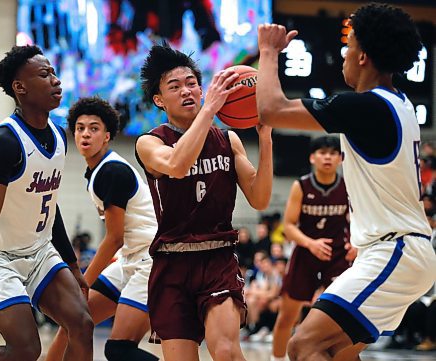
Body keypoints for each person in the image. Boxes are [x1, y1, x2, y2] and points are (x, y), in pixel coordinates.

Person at [257, 3, 436, 360]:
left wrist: (267, 52)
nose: (345, 53)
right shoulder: (398, 104)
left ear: (364, 56)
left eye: (349, 45)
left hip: (395, 250)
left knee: (303, 345)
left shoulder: (366, 107)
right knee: (337, 352)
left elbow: (271, 109)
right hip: (397, 251)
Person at [135, 42, 273, 361]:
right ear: (159, 100)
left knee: (224, 350)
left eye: (192, 83)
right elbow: (178, 166)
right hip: (172, 262)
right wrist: (209, 110)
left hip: (218, 259)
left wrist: (265, 140)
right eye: (175, 86)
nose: (187, 91)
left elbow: (261, 198)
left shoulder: (228, 140)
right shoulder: (150, 143)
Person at [0, 45, 93, 361]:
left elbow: (51, 205)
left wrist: (73, 267)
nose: (56, 81)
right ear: (20, 87)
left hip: (39, 251)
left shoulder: (59, 136)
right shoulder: (3, 142)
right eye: (45, 74)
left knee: (82, 324)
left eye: (54, 73)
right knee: (26, 349)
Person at [45, 96, 159, 361]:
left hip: (151, 260)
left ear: (107, 136)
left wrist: (82, 281)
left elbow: (114, 238)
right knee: (75, 322)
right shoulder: (96, 171)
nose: (86, 134)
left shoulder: (112, 172)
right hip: (131, 257)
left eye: (94, 128)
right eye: (80, 128)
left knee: (119, 350)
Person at [271, 136, 355, 361]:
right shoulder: (301, 185)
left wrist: (356, 243)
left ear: (341, 158)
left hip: (338, 256)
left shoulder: (349, 187)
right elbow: (288, 226)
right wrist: (310, 243)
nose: (327, 157)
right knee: (287, 316)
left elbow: (361, 220)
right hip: (306, 253)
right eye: (322, 152)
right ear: (312, 157)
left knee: (342, 317)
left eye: (332, 153)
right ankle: (277, 359)